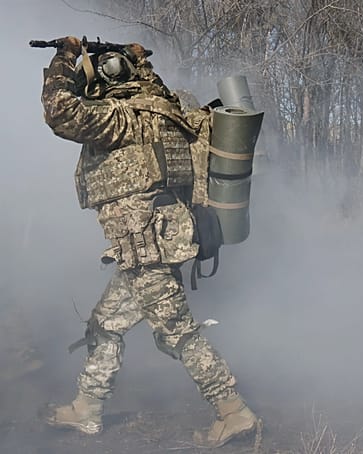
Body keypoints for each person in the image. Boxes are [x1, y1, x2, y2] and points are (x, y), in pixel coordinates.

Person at [39, 36, 258, 446]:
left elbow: (59, 112)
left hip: (144, 243)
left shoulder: (120, 118)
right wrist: (139, 60)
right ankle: (87, 407)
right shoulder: (165, 110)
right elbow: (153, 88)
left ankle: (233, 410)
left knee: (177, 332)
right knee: (104, 324)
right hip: (158, 237)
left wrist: (64, 56)